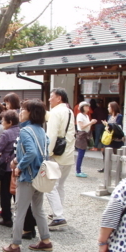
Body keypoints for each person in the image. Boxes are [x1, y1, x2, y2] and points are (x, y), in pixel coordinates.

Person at [3, 100, 52, 252]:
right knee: (38, 210)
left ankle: (15, 245)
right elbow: (42, 152)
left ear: (31, 113)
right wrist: (18, 160)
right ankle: (45, 241)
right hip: (40, 177)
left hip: (27, 177)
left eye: (23, 109)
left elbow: (31, 153)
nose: (20, 112)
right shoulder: (41, 131)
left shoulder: (25, 131)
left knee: (19, 211)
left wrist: (19, 166)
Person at [46, 88, 75, 230]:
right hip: (68, 153)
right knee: (60, 185)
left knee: (51, 186)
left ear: (59, 98)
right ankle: (57, 212)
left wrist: (47, 153)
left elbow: (51, 135)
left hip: (56, 155)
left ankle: (58, 216)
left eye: (52, 97)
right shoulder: (69, 111)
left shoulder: (55, 113)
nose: (49, 99)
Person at [98, 102, 124, 173]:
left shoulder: (119, 116)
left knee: (117, 154)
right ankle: (105, 167)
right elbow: (109, 126)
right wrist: (106, 126)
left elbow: (117, 126)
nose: (108, 108)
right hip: (109, 138)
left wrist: (108, 125)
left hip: (116, 138)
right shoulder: (109, 116)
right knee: (104, 152)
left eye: (109, 107)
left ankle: (119, 169)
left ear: (113, 108)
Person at [75, 101, 97, 178]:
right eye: (86, 106)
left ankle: (79, 170)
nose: (88, 107)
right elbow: (81, 126)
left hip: (86, 135)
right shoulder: (79, 115)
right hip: (81, 135)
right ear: (82, 108)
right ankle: (78, 171)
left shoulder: (86, 116)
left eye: (88, 106)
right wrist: (91, 123)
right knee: (80, 154)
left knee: (82, 153)